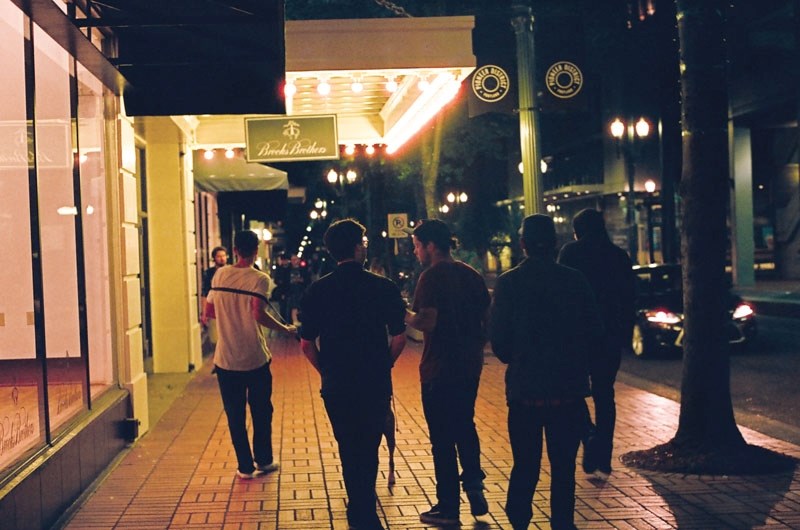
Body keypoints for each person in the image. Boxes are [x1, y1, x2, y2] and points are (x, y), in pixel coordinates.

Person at [490, 214, 603, 530]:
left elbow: (499, 342)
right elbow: (595, 332)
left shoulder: (509, 283)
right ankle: (562, 523)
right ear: (555, 244)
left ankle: (519, 520)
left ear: (523, 244)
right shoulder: (575, 280)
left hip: (525, 390)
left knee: (525, 465)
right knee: (563, 468)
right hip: (567, 391)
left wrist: (520, 355)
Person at [299, 219, 407, 530]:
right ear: (358, 247)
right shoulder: (383, 288)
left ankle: (358, 506)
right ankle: (364, 508)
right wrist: (384, 364)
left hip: (337, 384)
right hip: (374, 382)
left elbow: (307, 344)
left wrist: (327, 371)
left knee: (348, 445)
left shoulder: (317, 291)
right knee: (369, 444)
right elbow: (399, 338)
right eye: (363, 241)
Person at [404, 219, 490, 526]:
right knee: (464, 423)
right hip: (469, 365)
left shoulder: (431, 278)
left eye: (416, 245)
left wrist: (403, 313)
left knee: (442, 438)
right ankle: (474, 483)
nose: (415, 252)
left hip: (439, 367)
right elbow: (485, 320)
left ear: (430, 246)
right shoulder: (472, 275)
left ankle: (448, 507)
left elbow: (427, 321)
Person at [203, 231, 297, 480]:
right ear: (256, 250)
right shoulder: (260, 279)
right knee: (262, 411)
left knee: (235, 414)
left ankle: (244, 467)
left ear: (234, 250)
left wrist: (228, 314)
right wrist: (285, 328)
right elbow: (258, 314)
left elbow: (209, 311)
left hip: (225, 359)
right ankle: (264, 460)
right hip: (254, 357)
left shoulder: (220, 274)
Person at [558, 208, 636, 480]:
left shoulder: (570, 253)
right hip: (609, 337)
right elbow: (629, 299)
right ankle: (604, 452)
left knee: (573, 391)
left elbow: (562, 293)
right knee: (605, 394)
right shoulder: (619, 256)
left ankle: (588, 436)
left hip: (576, 336)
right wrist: (623, 334)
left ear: (578, 230)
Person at [200, 245, 228, 326]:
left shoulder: (231, 272)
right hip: (214, 306)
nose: (222, 258)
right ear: (214, 258)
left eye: (223, 256)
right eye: (219, 256)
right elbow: (205, 293)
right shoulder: (209, 273)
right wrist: (204, 312)